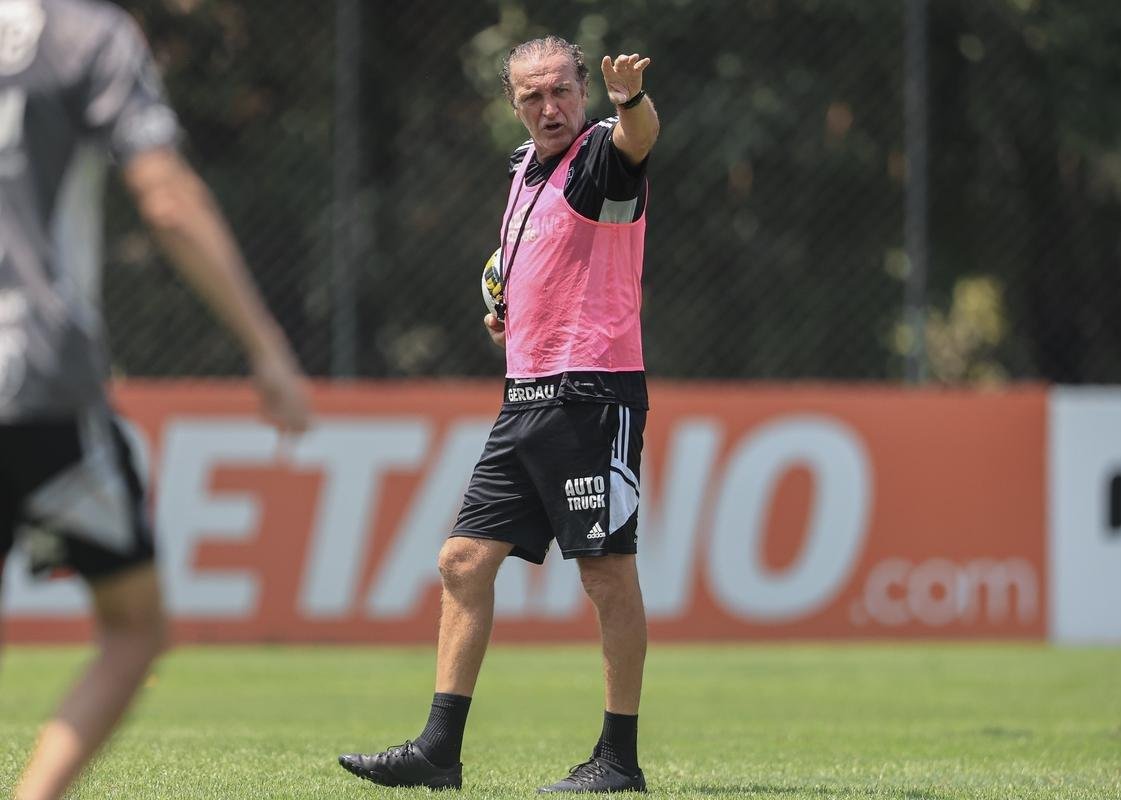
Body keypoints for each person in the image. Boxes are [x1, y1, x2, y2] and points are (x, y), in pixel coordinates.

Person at [0, 2, 311, 798]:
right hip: (34, 385)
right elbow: (166, 200)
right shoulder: (84, 37)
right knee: (135, 628)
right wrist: (265, 346)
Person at [338, 35, 659, 793]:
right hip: (526, 396)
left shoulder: (598, 157)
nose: (548, 108)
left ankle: (618, 762)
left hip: (590, 393)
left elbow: (637, 142)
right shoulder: (522, 171)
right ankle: (438, 753)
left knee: (606, 574)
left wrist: (631, 103)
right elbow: (534, 260)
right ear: (511, 104)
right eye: (530, 96)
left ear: (582, 91)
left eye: (560, 91)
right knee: (462, 562)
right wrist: (510, 307)